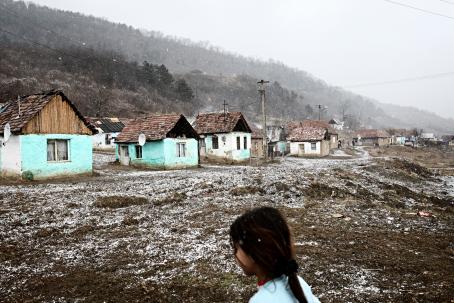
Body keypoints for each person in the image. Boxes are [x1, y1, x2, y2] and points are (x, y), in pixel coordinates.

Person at [229, 207, 320, 303]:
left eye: (236, 248)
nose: (234, 254)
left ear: (253, 253)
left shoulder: (261, 300)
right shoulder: (298, 283)